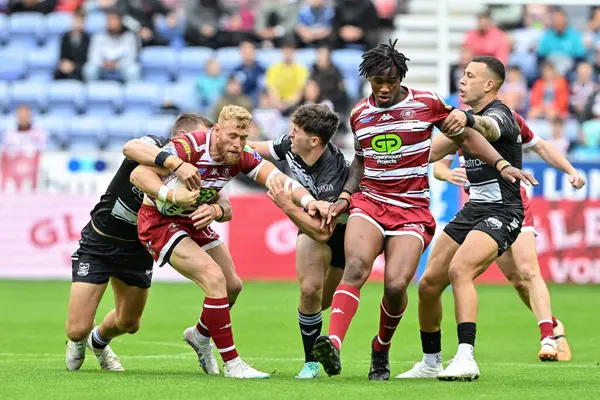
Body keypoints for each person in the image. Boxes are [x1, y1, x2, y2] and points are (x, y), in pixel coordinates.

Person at [311, 42, 536, 380]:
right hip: (370, 201)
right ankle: (335, 342)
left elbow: (466, 135)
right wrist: (345, 196)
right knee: (356, 267)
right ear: (368, 79)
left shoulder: (426, 103)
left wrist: (501, 163)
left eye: (390, 80)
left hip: (411, 208)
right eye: (376, 81)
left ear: (402, 76)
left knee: (397, 286)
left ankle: (381, 348)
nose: (384, 88)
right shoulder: (360, 113)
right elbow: (359, 160)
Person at [131, 105, 323, 379]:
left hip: (195, 220)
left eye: (243, 138)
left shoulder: (240, 156)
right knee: (214, 278)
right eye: (233, 136)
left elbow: (278, 178)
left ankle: (199, 335)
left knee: (233, 286)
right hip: (160, 222)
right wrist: (172, 193)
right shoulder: (190, 145)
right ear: (217, 130)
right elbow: (137, 174)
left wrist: (309, 201)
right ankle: (233, 364)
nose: (238, 144)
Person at [398, 55, 539, 381]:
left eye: (470, 75)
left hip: (504, 211)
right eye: (463, 74)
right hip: (474, 209)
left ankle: (466, 357)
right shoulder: (468, 119)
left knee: (460, 269)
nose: (462, 80)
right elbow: (431, 153)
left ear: (489, 84)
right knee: (429, 284)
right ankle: (431, 362)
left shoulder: (500, 115)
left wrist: (466, 120)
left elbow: (488, 128)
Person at [65, 113, 218, 371]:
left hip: (138, 248)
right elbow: (130, 147)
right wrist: (176, 165)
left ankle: (99, 342)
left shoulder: (200, 168)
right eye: (203, 138)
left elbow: (220, 201)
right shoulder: (155, 146)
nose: (207, 145)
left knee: (129, 324)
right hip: (101, 242)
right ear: (183, 137)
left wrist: (216, 211)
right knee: (77, 329)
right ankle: (79, 340)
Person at [433, 109, 583, 362]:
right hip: (483, 212)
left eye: (470, 77)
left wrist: (571, 170)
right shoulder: (460, 125)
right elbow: (438, 165)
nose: (464, 83)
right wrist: (447, 175)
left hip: (514, 207)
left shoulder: (507, 119)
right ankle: (555, 326)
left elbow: (541, 146)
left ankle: (547, 337)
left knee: (527, 269)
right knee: (515, 279)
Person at [248, 104, 348, 379]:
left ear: (314, 141)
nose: (289, 134)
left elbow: (323, 233)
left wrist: (287, 206)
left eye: (296, 131)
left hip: (341, 231)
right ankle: (312, 362)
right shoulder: (292, 144)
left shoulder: (332, 177)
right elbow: (259, 148)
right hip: (312, 224)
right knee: (309, 291)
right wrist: (231, 144)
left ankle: (326, 344)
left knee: (322, 302)